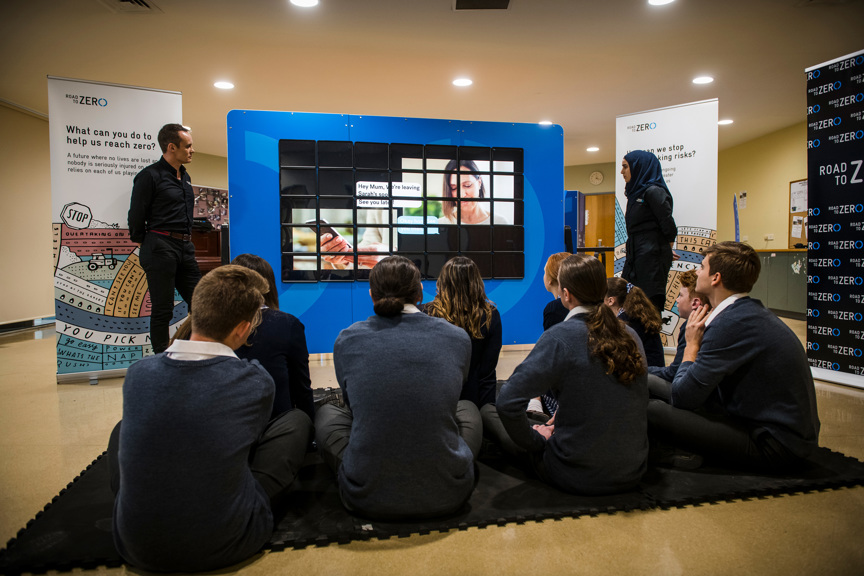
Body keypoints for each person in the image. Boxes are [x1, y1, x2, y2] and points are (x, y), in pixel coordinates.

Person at [109, 265, 313, 572]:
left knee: (121, 429)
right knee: (295, 422)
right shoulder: (254, 380)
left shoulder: (139, 374)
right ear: (242, 329)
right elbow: (250, 443)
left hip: (134, 546)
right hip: (233, 541)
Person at [315, 255, 481, 520]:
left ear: (372, 295)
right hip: (450, 492)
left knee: (327, 413)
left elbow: (353, 406)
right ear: (419, 293)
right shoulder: (457, 337)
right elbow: (451, 398)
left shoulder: (347, 339)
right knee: (468, 408)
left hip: (366, 495)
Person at [481, 254, 649, 495]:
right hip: (632, 470)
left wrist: (537, 440)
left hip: (574, 472)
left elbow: (508, 401)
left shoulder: (559, 337)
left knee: (488, 412)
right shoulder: (630, 335)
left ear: (566, 294)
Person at [647, 241, 821, 471]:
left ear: (716, 278)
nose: (697, 271)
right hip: (774, 431)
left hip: (776, 445)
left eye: (702, 267)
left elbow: (683, 397)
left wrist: (691, 345)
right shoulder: (742, 313)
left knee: (652, 410)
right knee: (646, 382)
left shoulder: (730, 323)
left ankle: (675, 454)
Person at [127, 123, 201, 354]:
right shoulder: (149, 176)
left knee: (201, 303)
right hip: (160, 245)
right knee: (162, 309)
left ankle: (195, 350)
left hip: (185, 246)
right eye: (187, 146)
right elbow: (136, 214)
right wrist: (144, 241)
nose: (192, 150)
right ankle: (161, 360)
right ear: (171, 147)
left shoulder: (185, 176)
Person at [232, 253, 314, 421]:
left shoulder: (211, 327)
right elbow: (301, 389)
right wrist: (309, 428)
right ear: (268, 286)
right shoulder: (287, 324)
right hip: (277, 426)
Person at [424, 256, 502, 408]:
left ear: (442, 281)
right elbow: (487, 372)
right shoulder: (490, 315)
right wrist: (487, 410)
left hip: (435, 400)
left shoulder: (427, 312)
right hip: (474, 400)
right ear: (476, 282)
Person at [620, 150, 678, 312]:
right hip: (635, 254)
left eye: (625, 167)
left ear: (639, 167)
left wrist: (666, 249)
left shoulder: (653, 192)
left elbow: (668, 225)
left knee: (648, 305)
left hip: (651, 258)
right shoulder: (634, 194)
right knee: (628, 300)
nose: (622, 171)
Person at [647, 269, 706, 396]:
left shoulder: (691, 326)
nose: (677, 300)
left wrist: (642, 369)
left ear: (695, 302)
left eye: (680, 295)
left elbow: (673, 373)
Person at [527, 252, 570, 416]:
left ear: (550, 279)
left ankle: (535, 403)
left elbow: (553, 354)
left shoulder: (554, 309)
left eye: (545, 271)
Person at [605, 277, 665, 367]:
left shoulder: (626, 321)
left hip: (649, 372)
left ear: (610, 300)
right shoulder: (634, 315)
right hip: (653, 369)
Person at [438, 159, 509, 225]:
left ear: (479, 182)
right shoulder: (441, 224)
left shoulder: (500, 223)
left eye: (467, 185)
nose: (462, 195)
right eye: (454, 188)